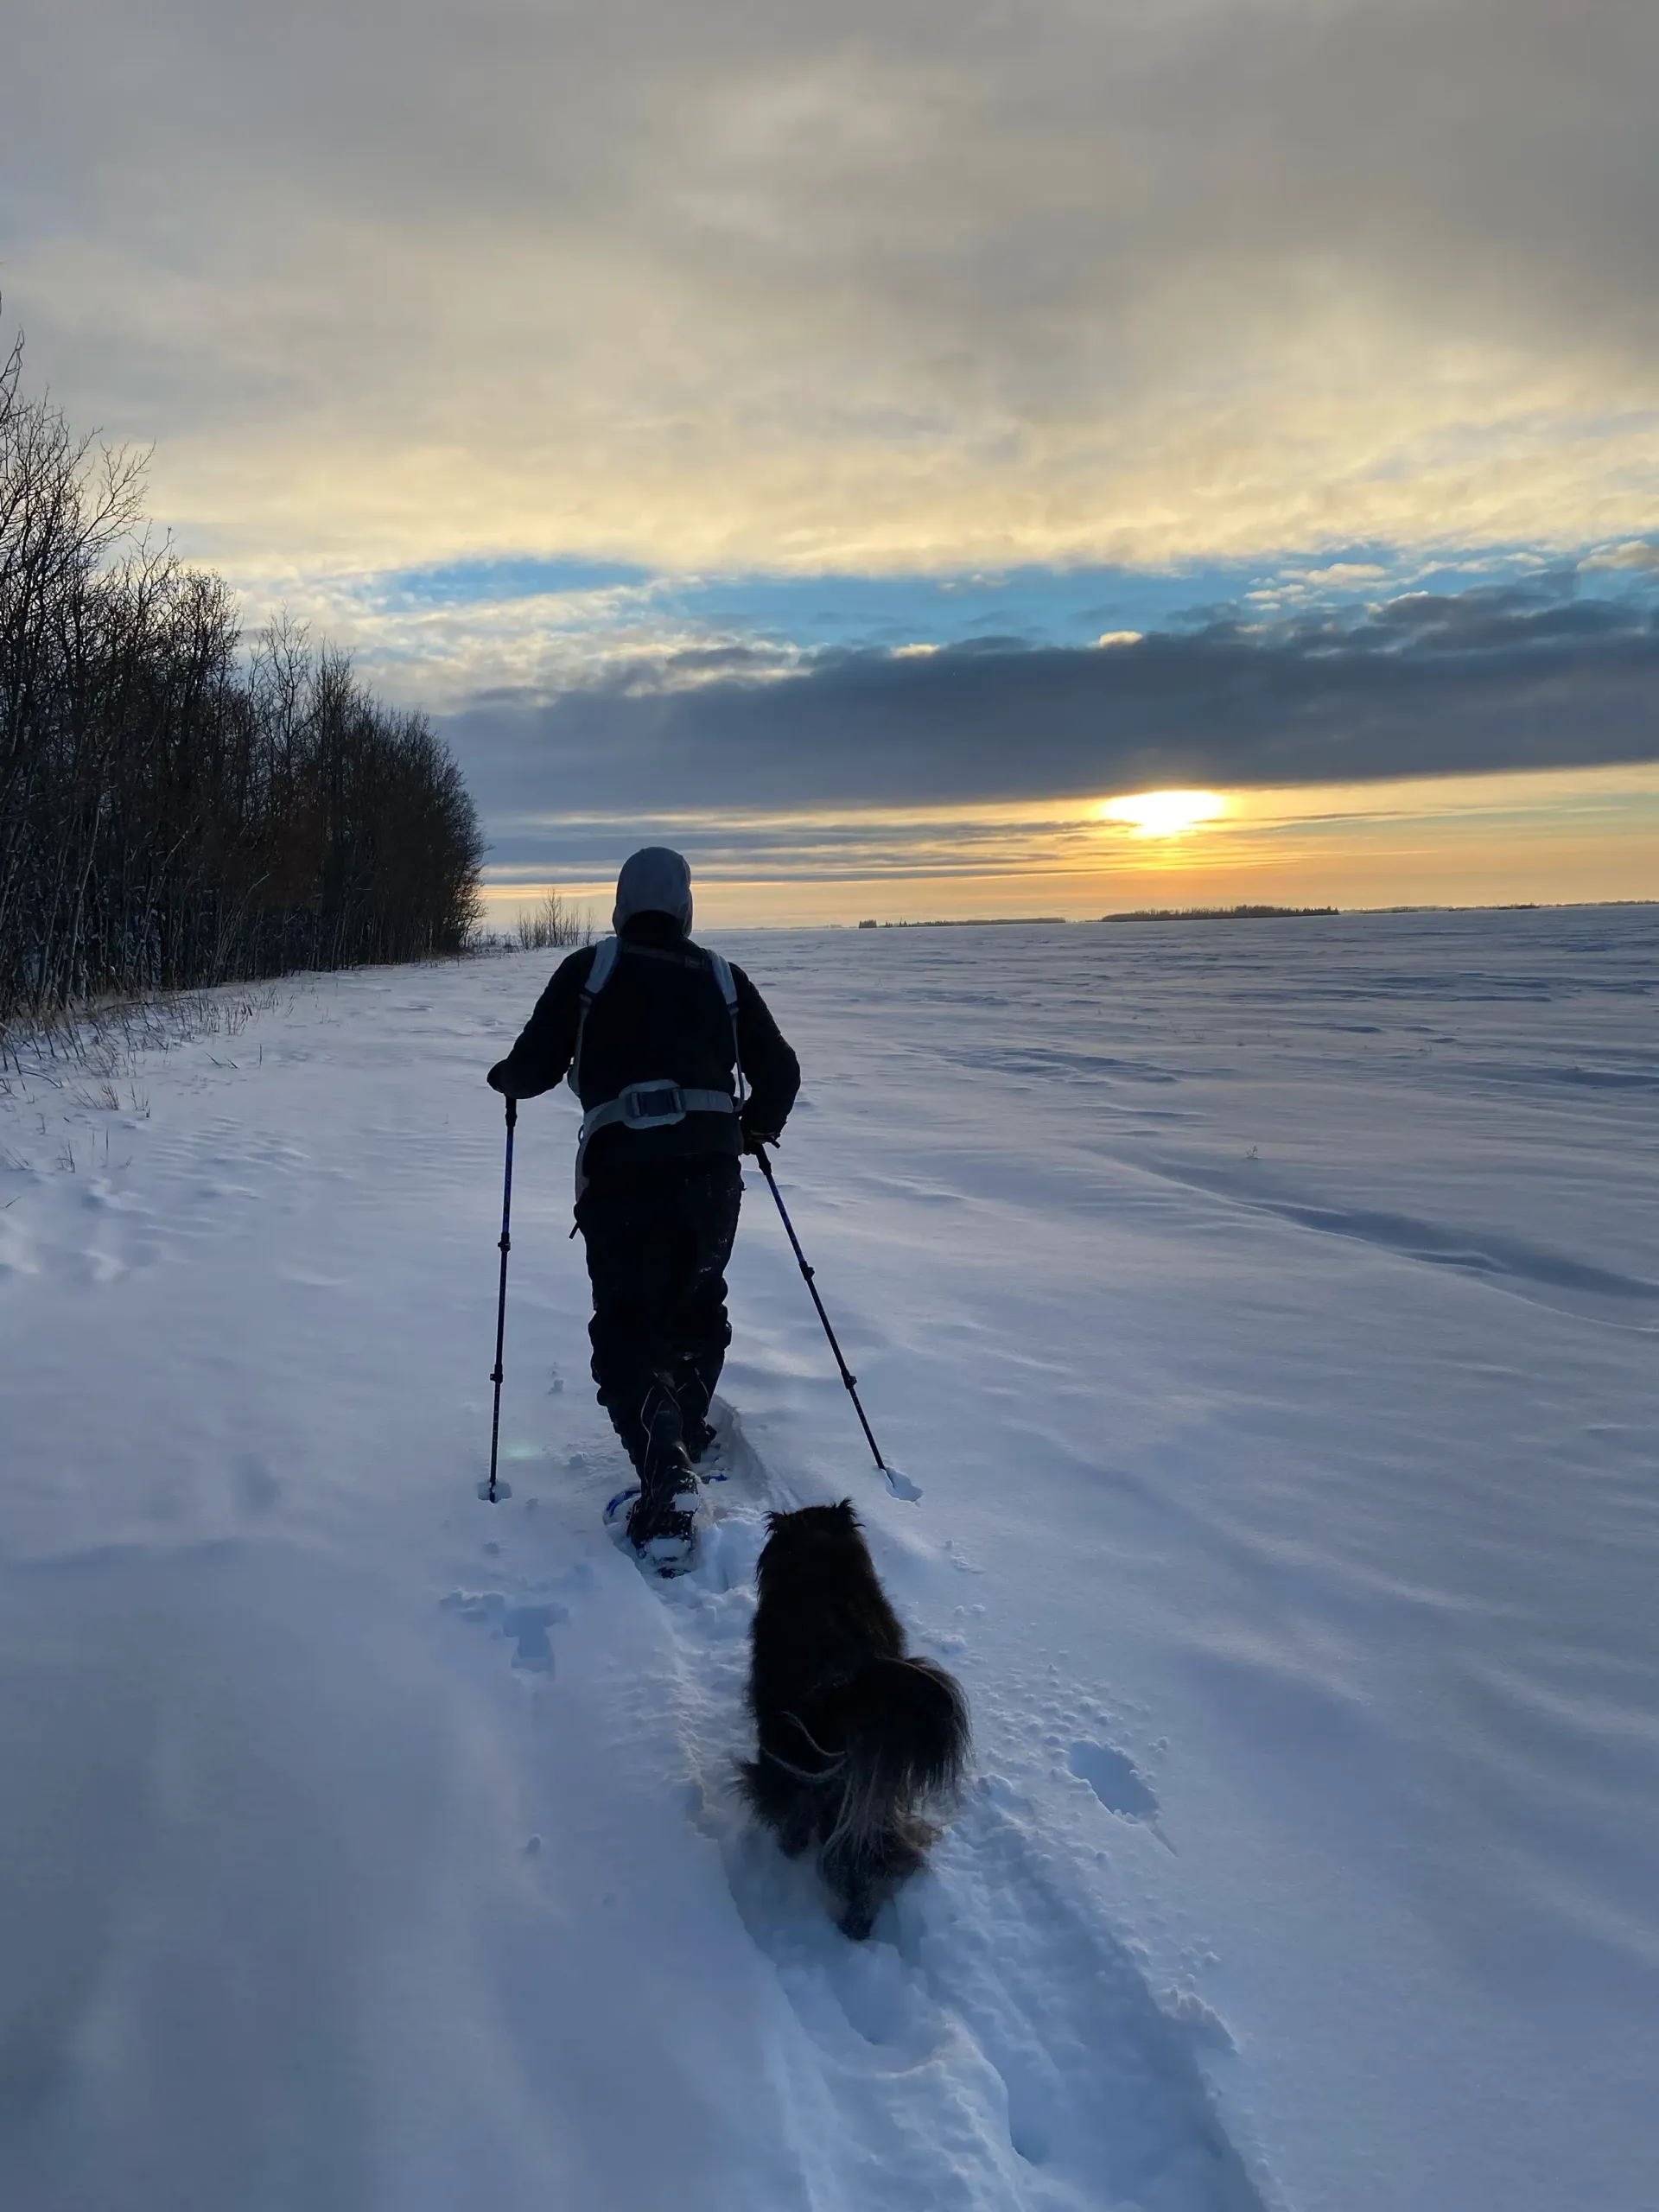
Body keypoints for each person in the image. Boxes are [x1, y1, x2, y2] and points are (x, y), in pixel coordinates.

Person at [486, 848, 799, 1562]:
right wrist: (754, 1128)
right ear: (686, 908)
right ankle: (682, 1427)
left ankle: (666, 1466)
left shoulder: (590, 970)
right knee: (698, 1304)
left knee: (629, 1325)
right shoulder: (723, 977)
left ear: (621, 907)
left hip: (623, 1175)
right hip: (715, 1178)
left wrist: (504, 1076)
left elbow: (531, 1070)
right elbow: (779, 1071)